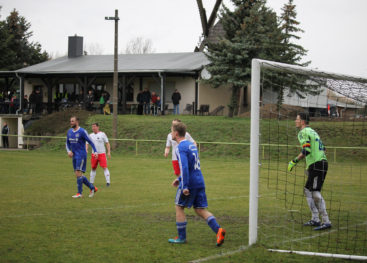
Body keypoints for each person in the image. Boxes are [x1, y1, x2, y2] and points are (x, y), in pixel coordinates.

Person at [168, 122, 226, 246]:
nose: (171, 133)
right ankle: (219, 230)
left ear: (176, 133)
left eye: (172, 131)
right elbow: (191, 165)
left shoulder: (180, 148)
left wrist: (184, 186)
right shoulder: (192, 145)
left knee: (179, 206)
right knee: (200, 209)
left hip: (190, 183)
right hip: (199, 180)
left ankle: (181, 238)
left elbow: (184, 166)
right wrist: (179, 179)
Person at [288, 113, 331, 231]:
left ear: (302, 121)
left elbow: (306, 150)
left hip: (317, 164)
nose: (295, 121)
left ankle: (326, 221)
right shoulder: (313, 131)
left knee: (315, 192)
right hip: (318, 164)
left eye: (296, 119)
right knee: (308, 190)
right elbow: (324, 148)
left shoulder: (302, 132)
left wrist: (294, 161)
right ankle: (315, 218)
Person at [66, 116, 99, 198]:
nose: (71, 123)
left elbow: (91, 142)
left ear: (77, 122)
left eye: (72, 121)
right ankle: (92, 188)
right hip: (74, 155)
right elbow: (67, 143)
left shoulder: (82, 131)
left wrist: (95, 151)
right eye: (70, 121)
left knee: (78, 172)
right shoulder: (69, 132)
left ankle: (79, 193)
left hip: (81, 155)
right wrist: (69, 151)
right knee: (78, 174)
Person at [86, 123, 111, 187]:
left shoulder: (102, 134)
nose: (93, 128)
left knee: (105, 167)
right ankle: (91, 183)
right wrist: (86, 149)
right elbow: (87, 143)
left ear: (98, 127)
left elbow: (107, 143)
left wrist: (108, 152)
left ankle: (108, 182)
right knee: (93, 168)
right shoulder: (90, 135)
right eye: (92, 127)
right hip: (94, 155)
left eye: (94, 126)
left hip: (102, 154)